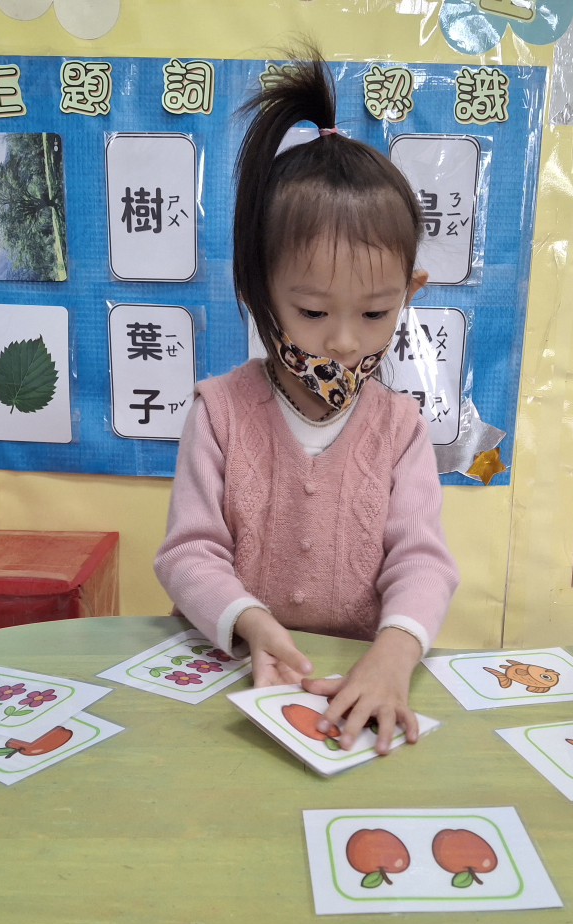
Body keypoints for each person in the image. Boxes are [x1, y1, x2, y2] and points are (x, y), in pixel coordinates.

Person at [154, 47, 459, 756]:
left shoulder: (400, 427)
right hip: (231, 678)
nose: (346, 343)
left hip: (357, 684)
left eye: (376, 313)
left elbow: (423, 561)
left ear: (410, 293)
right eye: (315, 313)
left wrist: (393, 656)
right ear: (259, 288)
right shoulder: (219, 412)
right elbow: (189, 552)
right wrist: (251, 623)